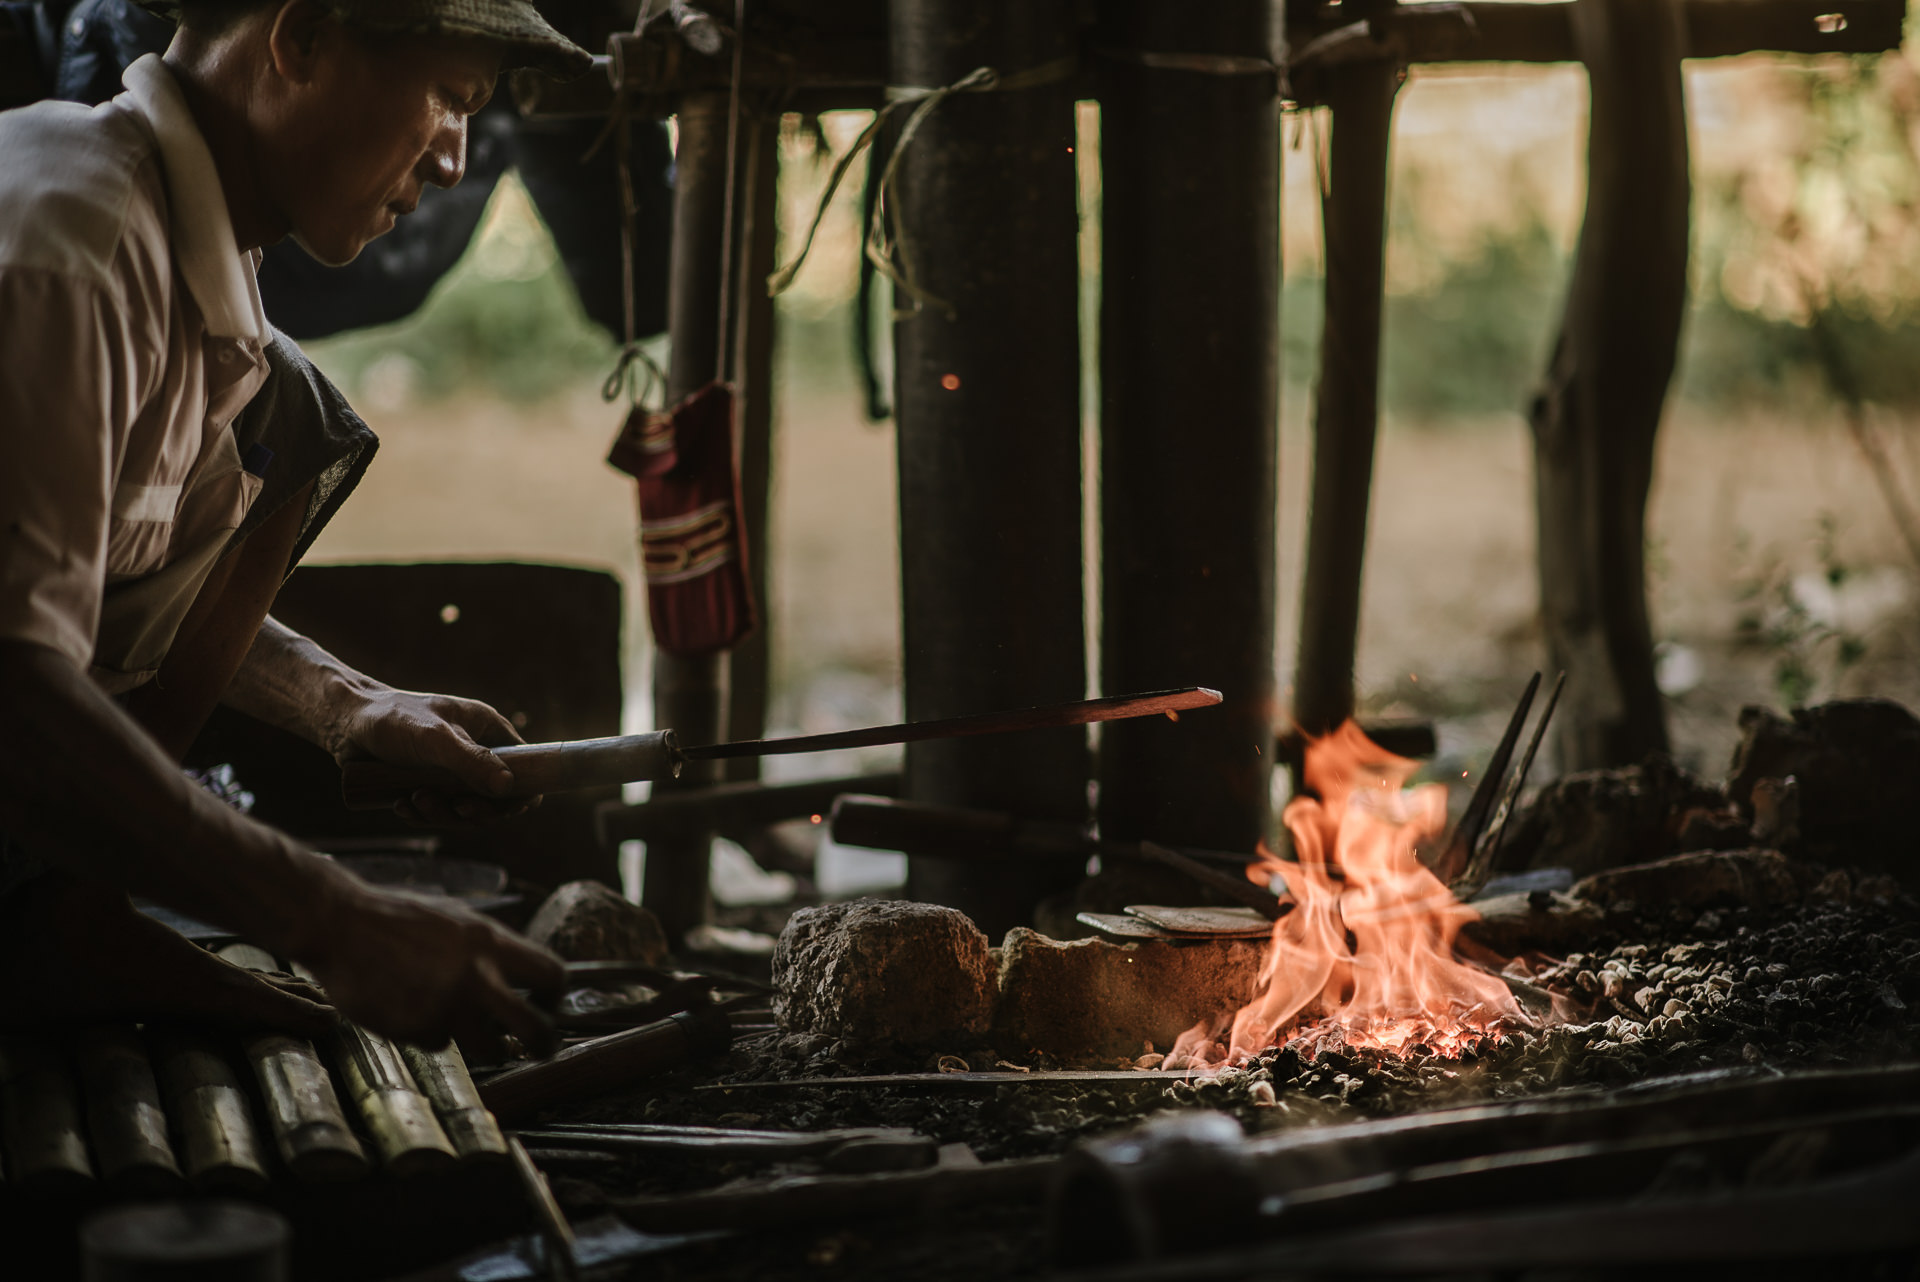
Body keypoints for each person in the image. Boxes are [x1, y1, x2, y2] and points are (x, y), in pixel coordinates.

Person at [0, 0, 597, 1053]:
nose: (456, 161)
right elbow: (14, 688)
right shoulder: (72, 241)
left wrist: (349, 704)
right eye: (450, 100)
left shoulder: (196, 270)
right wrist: (332, 918)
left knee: (297, 416)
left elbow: (100, 577)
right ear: (302, 38)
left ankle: (69, 910)